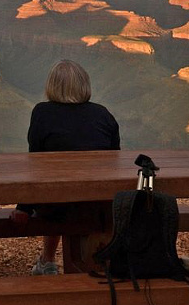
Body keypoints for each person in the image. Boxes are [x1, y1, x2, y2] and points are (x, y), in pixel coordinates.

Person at [10, 59, 119, 275]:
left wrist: (23, 208)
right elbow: (114, 163)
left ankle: (48, 261)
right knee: (72, 197)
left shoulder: (42, 113)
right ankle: (92, 263)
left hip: (54, 205)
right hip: (95, 205)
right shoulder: (103, 114)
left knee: (57, 194)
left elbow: (36, 164)